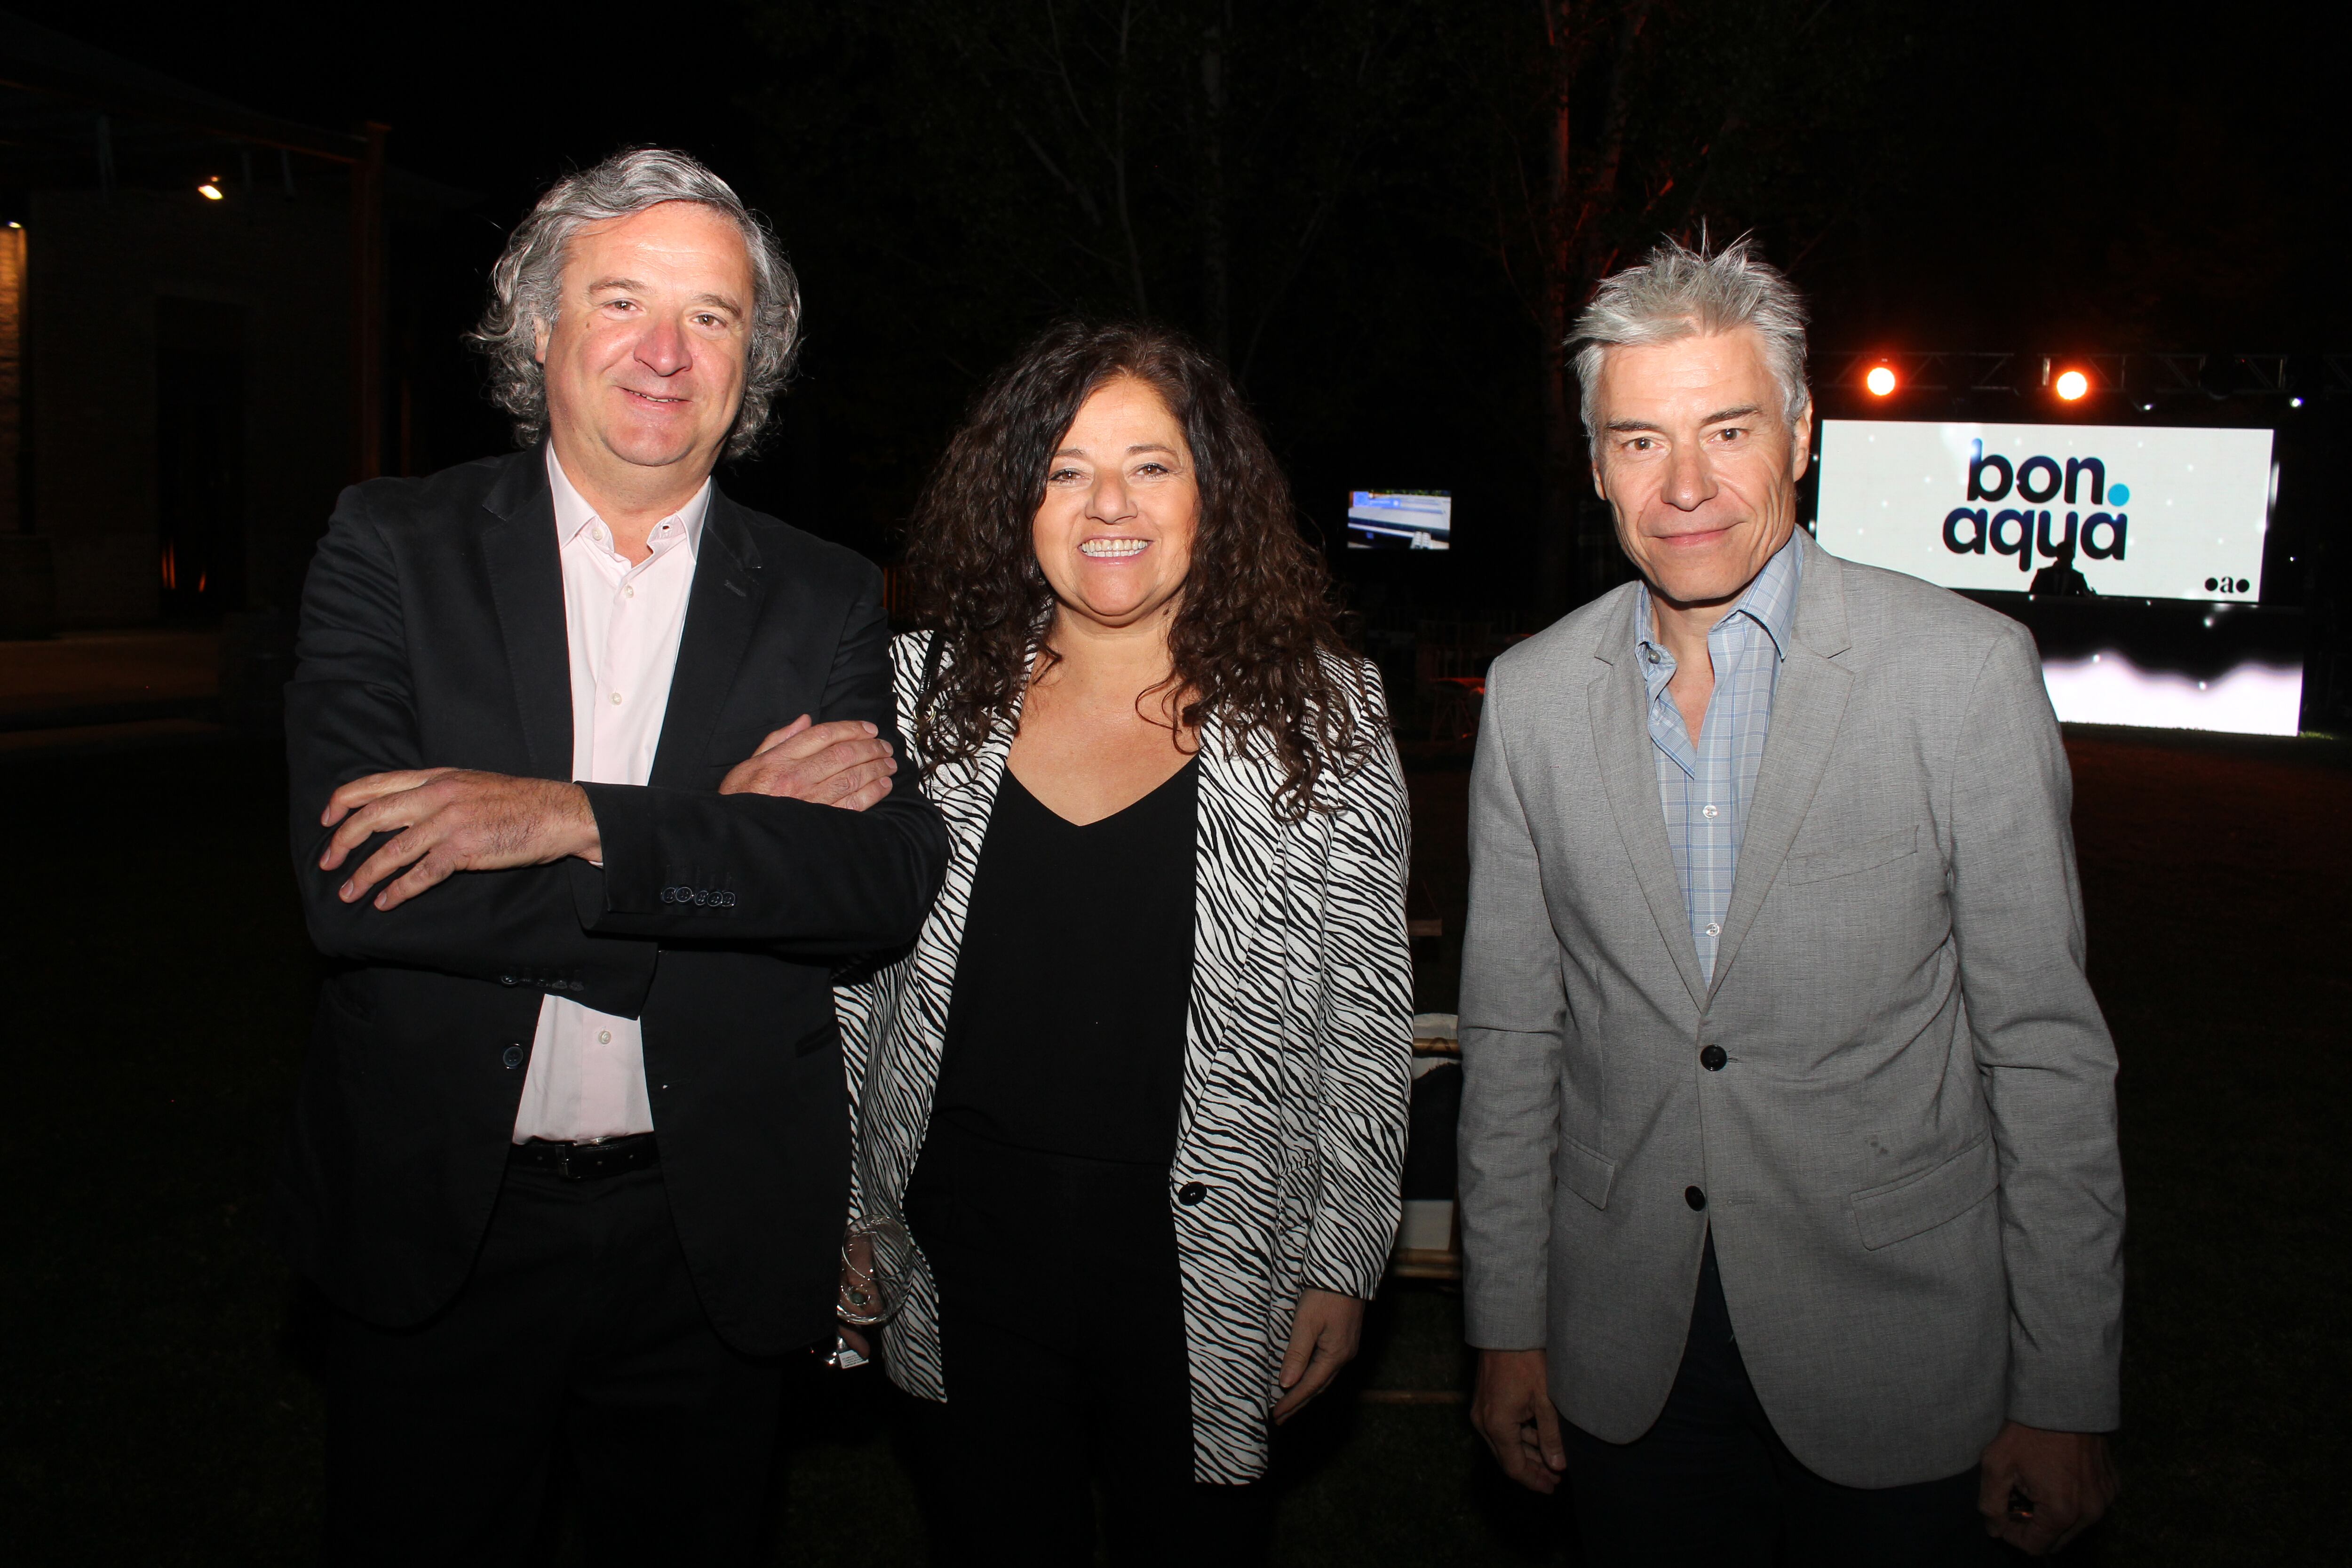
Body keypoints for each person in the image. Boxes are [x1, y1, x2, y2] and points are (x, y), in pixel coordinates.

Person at [277, 147, 948, 1561]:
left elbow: (876, 889)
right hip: (446, 1229)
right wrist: (727, 832)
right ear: (540, 328)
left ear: (751, 359)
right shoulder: (394, 546)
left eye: (711, 316)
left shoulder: (824, 590)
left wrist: (564, 818)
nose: (665, 351)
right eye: (623, 300)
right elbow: (361, 889)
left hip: (707, 1237)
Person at [1457, 237, 2124, 1565]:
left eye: (1729, 429)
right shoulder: (1531, 697)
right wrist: (1507, 1324)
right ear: (1595, 463)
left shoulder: (1963, 677)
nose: (1687, 486)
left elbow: (2043, 1053)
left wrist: (2065, 1391)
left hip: (1900, 1351)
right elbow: (1516, 1041)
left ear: (1803, 433)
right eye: (1640, 441)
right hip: (1622, 1350)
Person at [825, 320, 1414, 1563]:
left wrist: (1343, 1263)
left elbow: (1365, 1016)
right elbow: (846, 982)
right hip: (960, 1251)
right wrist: (835, 1204)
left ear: (1215, 492)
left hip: (1207, 1254)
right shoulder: (913, 696)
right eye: (1067, 467)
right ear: (1017, 496)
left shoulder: (1325, 711)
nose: (1110, 506)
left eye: (1151, 464)